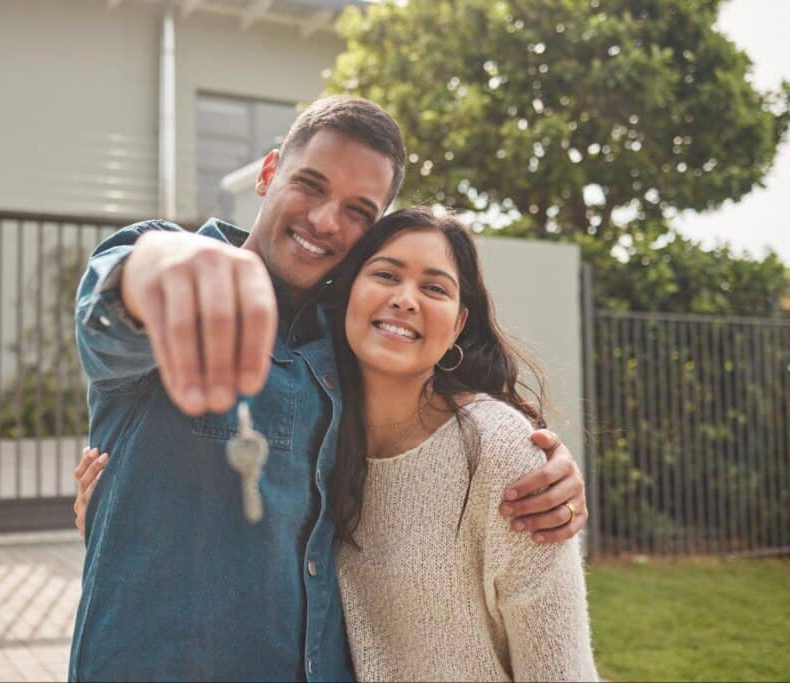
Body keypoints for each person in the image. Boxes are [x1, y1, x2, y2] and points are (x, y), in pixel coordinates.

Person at [70, 95, 588, 681]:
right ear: (269, 173)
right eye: (310, 185)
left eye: (356, 210)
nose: (323, 220)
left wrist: (543, 463)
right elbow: (116, 307)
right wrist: (161, 264)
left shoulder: (346, 344)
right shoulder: (182, 277)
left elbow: (434, 413)